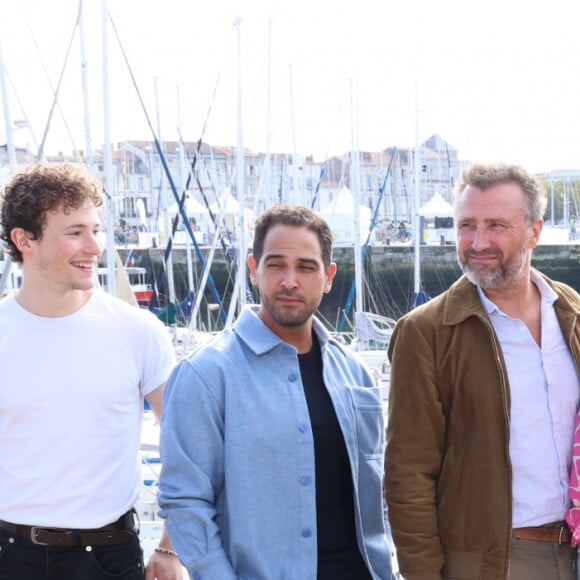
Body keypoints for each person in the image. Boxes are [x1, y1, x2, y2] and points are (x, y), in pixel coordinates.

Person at [157, 204, 395, 579]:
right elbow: (185, 500)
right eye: (275, 264)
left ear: (329, 276)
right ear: (253, 269)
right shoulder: (205, 375)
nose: (290, 281)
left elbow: (375, 491)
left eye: (305, 267)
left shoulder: (357, 374)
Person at [385, 162, 580, 580]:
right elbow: (408, 476)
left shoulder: (572, 313)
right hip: (490, 563)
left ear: (534, 232)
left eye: (496, 225)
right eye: (466, 225)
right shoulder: (427, 333)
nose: (477, 242)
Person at [0, 163, 181, 580]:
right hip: (8, 555)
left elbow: (187, 447)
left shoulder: (139, 331)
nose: (95, 246)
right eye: (76, 232)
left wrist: (169, 547)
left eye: (95, 230)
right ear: (25, 239)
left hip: (107, 555)